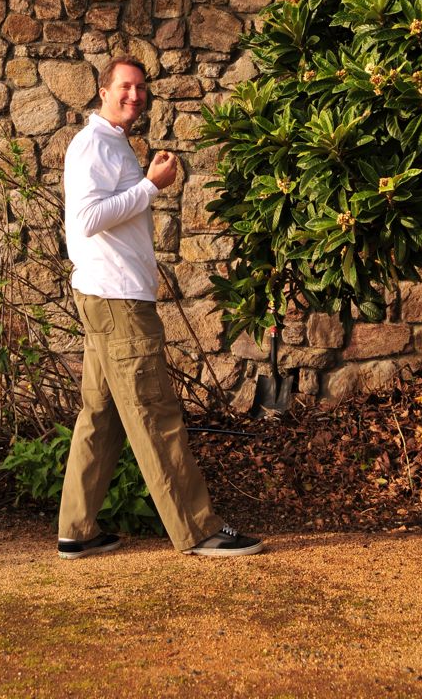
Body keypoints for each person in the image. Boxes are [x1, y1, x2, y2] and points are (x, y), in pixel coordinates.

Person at [57, 55, 264, 559]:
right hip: (118, 300)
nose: (135, 95)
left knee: (101, 413)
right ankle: (198, 529)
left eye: (141, 88)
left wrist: (144, 181)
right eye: (126, 86)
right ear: (103, 90)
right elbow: (86, 219)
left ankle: (76, 530)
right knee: (154, 411)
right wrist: (151, 186)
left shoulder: (111, 143)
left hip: (109, 296)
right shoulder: (91, 145)